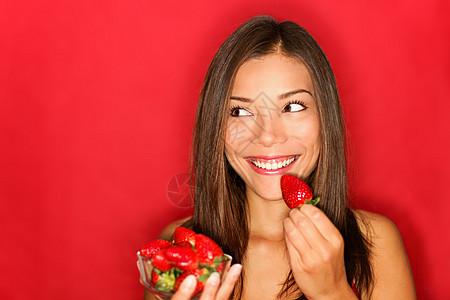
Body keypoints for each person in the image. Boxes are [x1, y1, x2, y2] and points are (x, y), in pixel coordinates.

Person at [143, 15, 416, 299]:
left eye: (293, 107)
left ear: (325, 118)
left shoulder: (376, 242)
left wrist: (333, 292)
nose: (268, 135)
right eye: (240, 112)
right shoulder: (178, 249)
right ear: (215, 128)